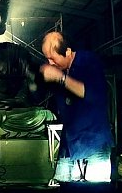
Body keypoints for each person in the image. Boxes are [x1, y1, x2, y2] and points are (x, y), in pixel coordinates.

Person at [39, 31, 114, 182]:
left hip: (94, 142)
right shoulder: (60, 70)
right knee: (64, 188)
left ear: (67, 52)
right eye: (47, 59)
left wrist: (60, 78)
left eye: (52, 58)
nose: (50, 63)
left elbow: (93, 94)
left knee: (96, 191)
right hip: (70, 143)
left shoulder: (89, 61)